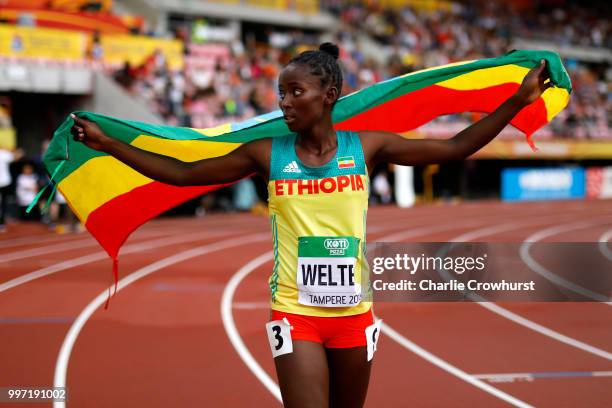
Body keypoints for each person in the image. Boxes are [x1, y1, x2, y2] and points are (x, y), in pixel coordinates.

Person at [70, 42, 551, 407]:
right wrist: (109, 142)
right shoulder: (266, 153)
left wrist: (517, 101)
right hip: (294, 312)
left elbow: (453, 150)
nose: (284, 102)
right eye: (281, 92)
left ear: (329, 96)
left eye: (295, 92)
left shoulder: (365, 148)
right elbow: (182, 174)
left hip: (354, 315)